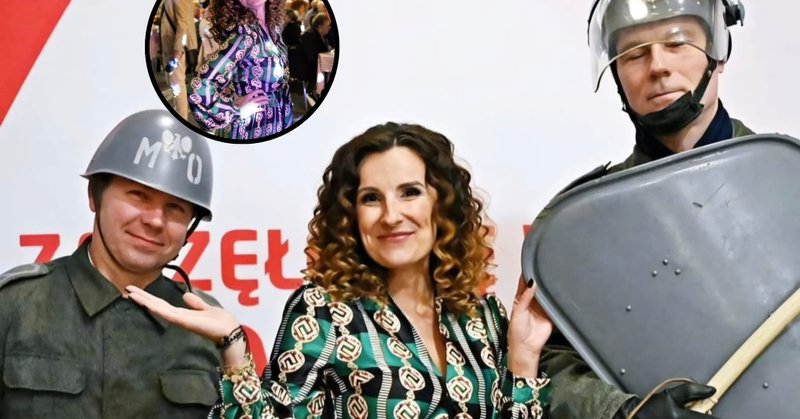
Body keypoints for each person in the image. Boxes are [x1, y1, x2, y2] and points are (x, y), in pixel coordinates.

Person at [128, 122, 555, 418]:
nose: (391, 215)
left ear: (441, 205)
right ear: (351, 216)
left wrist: (522, 362)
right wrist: (234, 350)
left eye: (409, 192)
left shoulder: (482, 317)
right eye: (371, 198)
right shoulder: (324, 313)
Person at [533, 1, 748, 418]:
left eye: (678, 42)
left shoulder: (785, 179)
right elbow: (546, 359)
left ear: (718, 53)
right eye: (634, 53)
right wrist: (624, 412)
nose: (658, 66)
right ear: (617, 75)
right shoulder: (579, 222)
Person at [0, 110, 221, 418]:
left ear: (190, 227)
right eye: (139, 195)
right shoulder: (15, 305)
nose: (155, 220)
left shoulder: (205, 324)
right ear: (95, 195)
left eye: (175, 208)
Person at [189, 0, 293, 140]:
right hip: (251, 129)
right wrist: (234, 110)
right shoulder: (244, 34)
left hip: (276, 121)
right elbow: (200, 87)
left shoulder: (272, 27)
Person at [160, 0, 198, 119]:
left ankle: (181, 119)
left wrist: (178, 49)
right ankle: (180, 116)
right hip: (173, 50)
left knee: (177, 85)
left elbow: (183, 24)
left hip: (176, 51)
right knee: (175, 85)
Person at [298, 12, 332, 91]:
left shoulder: (323, 35)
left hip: (316, 66)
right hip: (307, 68)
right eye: (327, 25)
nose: (329, 27)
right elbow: (311, 57)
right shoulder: (310, 36)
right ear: (320, 27)